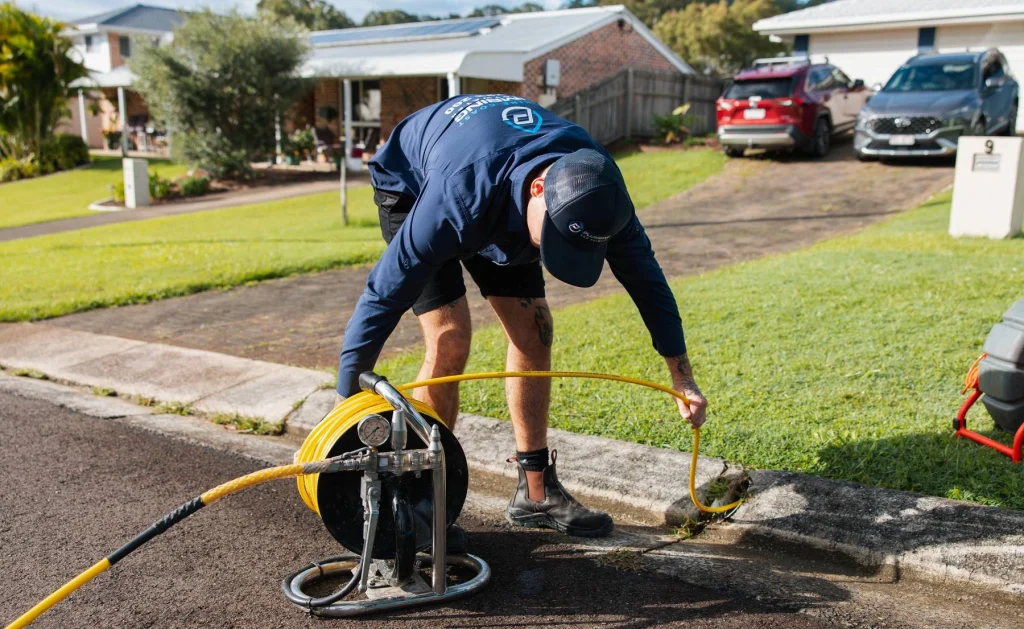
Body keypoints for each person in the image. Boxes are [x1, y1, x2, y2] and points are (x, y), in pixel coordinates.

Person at [335, 94, 707, 539]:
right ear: (538, 190)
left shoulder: (598, 192)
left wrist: (681, 377)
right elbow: (383, 295)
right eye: (552, 240)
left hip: (502, 185)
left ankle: (535, 493)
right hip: (416, 180)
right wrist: (345, 410)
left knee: (535, 331)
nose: (549, 255)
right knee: (450, 336)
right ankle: (420, 497)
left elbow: (647, 280)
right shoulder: (454, 202)